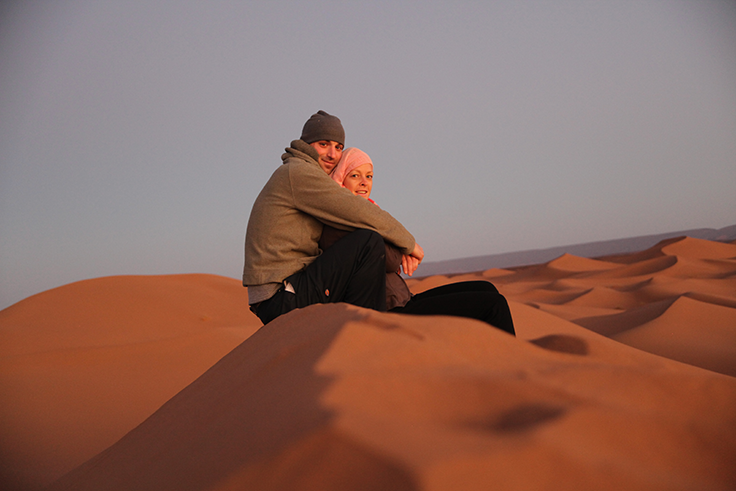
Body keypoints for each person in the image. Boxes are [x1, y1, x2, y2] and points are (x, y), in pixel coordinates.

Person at [242, 110, 424, 325]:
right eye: (324, 144)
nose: (332, 154)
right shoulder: (298, 173)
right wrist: (410, 244)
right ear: (307, 144)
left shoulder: (299, 172)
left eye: (338, 147)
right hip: (280, 294)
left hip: (287, 287)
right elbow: (357, 210)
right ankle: (367, 329)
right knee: (367, 242)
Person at [320, 146, 515, 336]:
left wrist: (398, 244)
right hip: (390, 310)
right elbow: (390, 259)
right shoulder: (342, 220)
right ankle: (514, 366)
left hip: (403, 299)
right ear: (340, 178)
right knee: (494, 305)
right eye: (355, 175)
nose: (364, 182)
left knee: (485, 288)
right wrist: (402, 248)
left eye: (369, 176)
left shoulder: (368, 215)